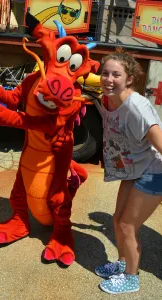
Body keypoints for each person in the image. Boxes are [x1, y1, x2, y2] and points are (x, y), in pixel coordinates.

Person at [94, 49, 162, 294]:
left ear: (129, 79)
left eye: (116, 75)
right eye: (105, 73)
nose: (108, 79)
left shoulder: (136, 106)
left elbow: (160, 143)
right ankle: (122, 265)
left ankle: (131, 279)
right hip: (135, 168)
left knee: (127, 226)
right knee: (117, 219)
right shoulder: (108, 97)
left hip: (154, 171)